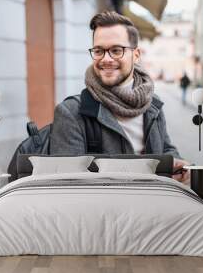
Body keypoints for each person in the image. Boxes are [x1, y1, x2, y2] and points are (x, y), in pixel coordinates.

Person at [49, 11, 190, 183]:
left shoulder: (152, 105)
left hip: (154, 205)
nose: (106, 59)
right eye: (99, 50)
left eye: (116, 50)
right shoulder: (71, 113)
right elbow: (69, 184)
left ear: (136, 55)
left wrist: (178, 164)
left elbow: (165, 148)